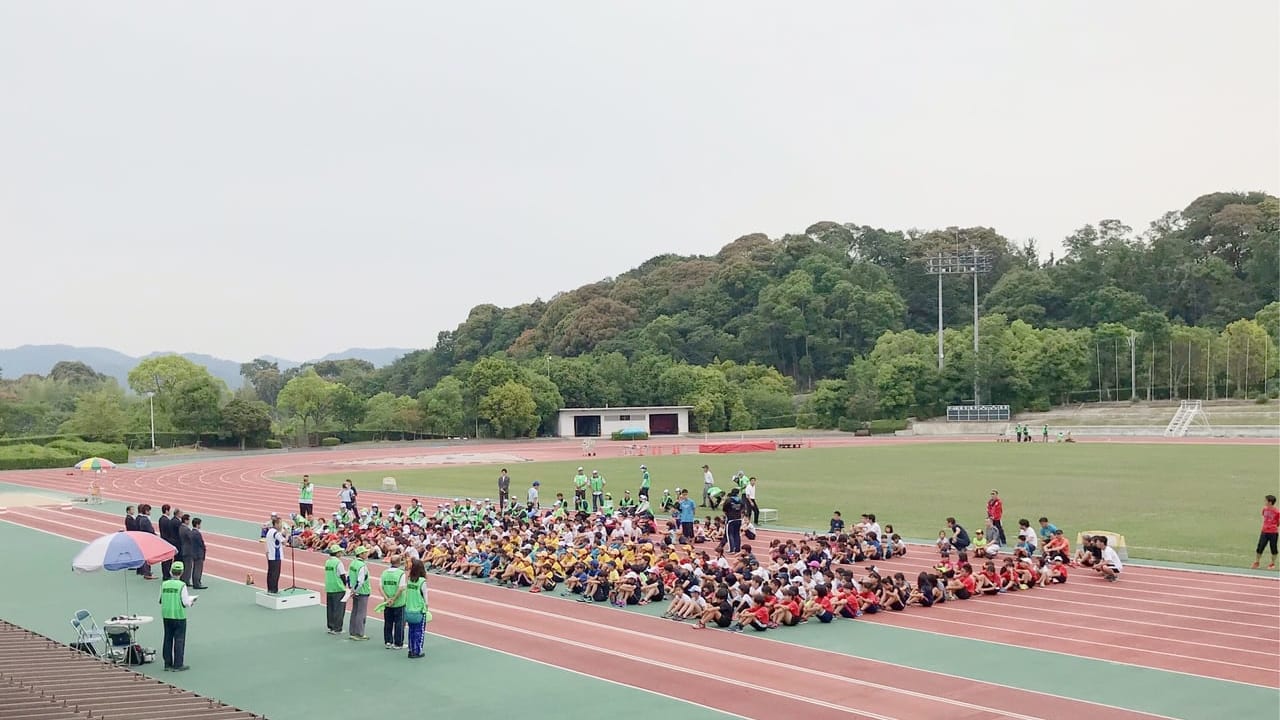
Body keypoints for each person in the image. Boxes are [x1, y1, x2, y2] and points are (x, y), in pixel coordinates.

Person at [160, 560, 197, 672]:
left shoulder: (164, 584)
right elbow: (185, 602)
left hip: (166, 615)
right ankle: (178, 664)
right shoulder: (182, 585)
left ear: (171, 571)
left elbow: (160, 599)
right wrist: (192, 601)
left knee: (167, 638)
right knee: (179, 640)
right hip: (179, 615)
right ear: (181, 572)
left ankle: (167, 663)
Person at [381, 554, 408, 650]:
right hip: (399, 603)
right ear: (399, 563)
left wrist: (387, 599)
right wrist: (394, 599)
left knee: (388, 622)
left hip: (387, 603)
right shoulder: (401, 573)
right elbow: (401, 588)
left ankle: (388, 641)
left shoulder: (384, 573)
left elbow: (381, 587)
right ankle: (398, 643)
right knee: (399, 623)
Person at [404, 559, 430, 659]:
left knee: (411, 630)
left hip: (409, 609)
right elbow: (425, 597)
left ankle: (411, 650)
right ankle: (417, 651)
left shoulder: (409, 580)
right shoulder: (422, 581)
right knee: (419, 631)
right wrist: (426, 607)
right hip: (419, 610)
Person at [347, 546, 372, 640]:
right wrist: (355, 590)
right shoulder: (362, 566)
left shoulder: (353, 563)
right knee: (361, 613)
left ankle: (352, 632)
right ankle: (359, 633)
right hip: (362, 592)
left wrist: (351, 588)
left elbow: (348, 576)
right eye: (365, 552)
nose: (366, 554)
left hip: (354, 590)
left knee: (354, 611)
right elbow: (361, 580)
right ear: (361, 554)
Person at [324, 545, 348, 634]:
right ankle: (337, 628)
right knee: (339, 609)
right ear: (337, 553)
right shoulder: (338, 562)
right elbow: (342, 575)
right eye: (340, 552)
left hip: (329, 587)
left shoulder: (327, 562)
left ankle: (331, 626)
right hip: (338, 588)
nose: (341, 553)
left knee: (330, 608)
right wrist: (345, 584)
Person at [1252, 494, 1279, 570]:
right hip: (1264, 532)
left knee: (1273, 548)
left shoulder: (1277, 512)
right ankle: (1257, 562)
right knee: (1260, 547)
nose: (1265, 502)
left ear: (1270, 502)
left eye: (1266, 501)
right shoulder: (1265, 509)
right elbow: (1264, 516)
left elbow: (1278, 523)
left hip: (1273, 533)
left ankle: (1272, 563)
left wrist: (1272, 526)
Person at [264, 516, 287, 594]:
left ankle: (270, 588)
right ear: (276, 524)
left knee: (270, 572)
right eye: (280, 523)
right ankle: (274, 589)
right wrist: (287, 535)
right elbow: (284, 542)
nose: (281, 525)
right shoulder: (276, 533)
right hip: (276, 555)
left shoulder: (270, 531)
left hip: (270, 554)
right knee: (275, 573)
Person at [135, 504, 157, 580]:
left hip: (145, 539)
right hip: (147, 540)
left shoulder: (143, 519)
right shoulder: (145, 519)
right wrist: (154, 535)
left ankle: (147, 572)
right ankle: (147, 573)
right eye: (149, 510)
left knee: (146, 556)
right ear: (146, 511)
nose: (150, 512)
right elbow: (149, 530)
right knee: (147, 557)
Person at [722, 488, 744, 554]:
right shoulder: (740, 500)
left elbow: (724, 509)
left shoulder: (728, 500)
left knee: (730, 534)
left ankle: (731, 549)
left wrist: (727, 514)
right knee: (737, 534)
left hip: (730, 519)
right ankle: (737, 548)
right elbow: (742, 508)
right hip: (739, 518)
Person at [188, 518, 208, 589]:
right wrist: (204, 549)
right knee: (198, 569)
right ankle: (197, 583)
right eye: (199, 524)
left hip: (194, 552)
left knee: (195, 568)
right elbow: (201, 544)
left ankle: (196, 582)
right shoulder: (197, 533)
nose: (200, 526)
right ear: (197, 524)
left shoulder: (191, 532)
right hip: (198, 553)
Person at [177, 514, 194, 585]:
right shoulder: (186, 529)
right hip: (188, 549)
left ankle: (183, 578)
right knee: (188, 566)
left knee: (185, 565)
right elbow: (191, 538)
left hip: (184, 548)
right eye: (188, 520)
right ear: (186, 520)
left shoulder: (181, 527)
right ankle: (186, 580)